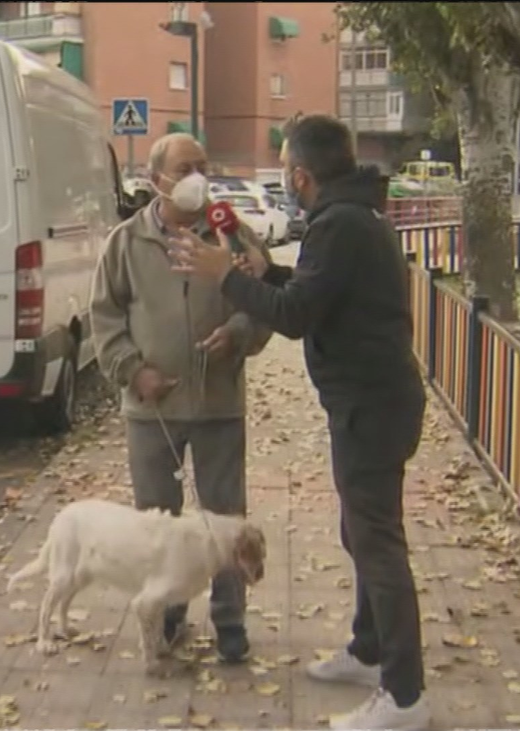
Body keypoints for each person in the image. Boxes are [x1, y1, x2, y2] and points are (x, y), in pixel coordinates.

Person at [168, 115, 430, 731]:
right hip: (374, 402)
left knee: (378, 547)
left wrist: (226, 276)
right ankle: (369, 650)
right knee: (360, 534)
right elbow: (316, 291)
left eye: (286, 168)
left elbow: (294, 316)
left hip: (370, 407)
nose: (285, 178)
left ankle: (405, 697)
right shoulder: (354, 217)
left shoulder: (339, 225)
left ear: (302, 175)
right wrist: (270, 273)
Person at [90, 132, 273, 663]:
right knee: (157, 524)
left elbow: (265, 302)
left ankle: (230, 623)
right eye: (185, 168)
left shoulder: (234, 235)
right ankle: (167, 618)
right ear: (156, 181)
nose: (198, 178)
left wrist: (238, 334)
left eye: (203, 166)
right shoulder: (126, 243)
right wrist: (133, 370)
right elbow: (105, 317)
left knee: (226, 521)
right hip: (153, 411)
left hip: (219, 404)